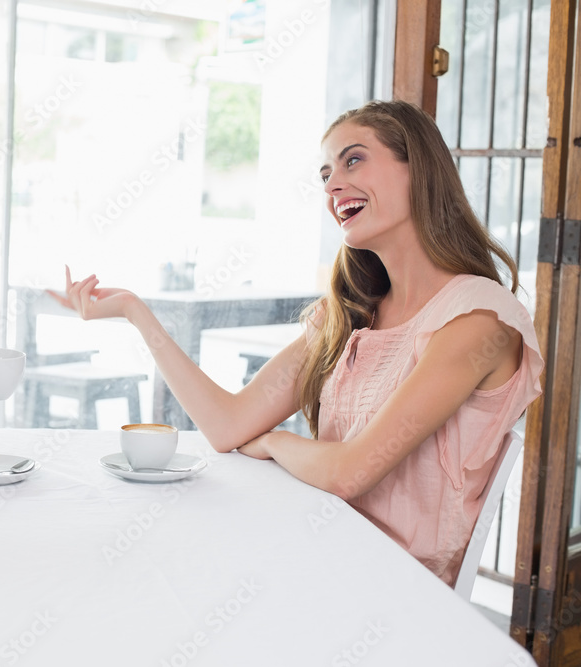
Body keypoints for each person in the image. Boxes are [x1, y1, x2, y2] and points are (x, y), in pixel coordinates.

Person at [54, 99, 543, 587]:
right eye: (325, 173)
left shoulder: (479, 318)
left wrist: (273, 440)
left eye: (353, 160)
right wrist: (137, 315)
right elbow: (226, 426)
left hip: (389, 586)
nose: (332, 186)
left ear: (419, 170)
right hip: (319, 549)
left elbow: (350, 472)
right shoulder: (352, 313)